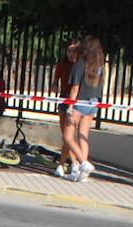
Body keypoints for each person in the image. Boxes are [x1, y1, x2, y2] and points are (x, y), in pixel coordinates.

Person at [62, 34, 104, 182]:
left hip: (79, 102)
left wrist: (69, 107)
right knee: (83, 136)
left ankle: (83, 163)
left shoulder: (80, 64)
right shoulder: (99, 65)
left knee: (68, 136)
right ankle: (83, 173)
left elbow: (74, 88)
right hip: (93, 103)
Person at [52, 37, 81, 177]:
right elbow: (54, 81)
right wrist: (53, 87)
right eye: (69, 51)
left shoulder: (81, 66)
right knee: (66, 135)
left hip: (76, 101)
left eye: (74, 51)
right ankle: (64, 165)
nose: (71, 54)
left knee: (69, 136)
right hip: (63, 99)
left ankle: (70, 164)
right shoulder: (61, 65)